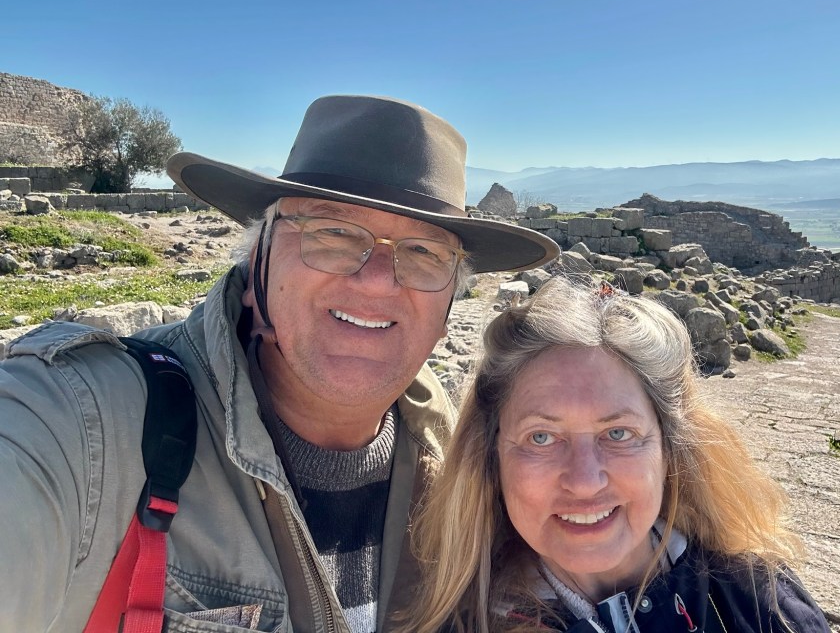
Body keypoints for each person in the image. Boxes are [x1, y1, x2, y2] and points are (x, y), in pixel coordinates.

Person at [0, 95, 558, 632]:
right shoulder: (87, 422)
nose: (376, 281)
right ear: (256, 263)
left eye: (424, 252)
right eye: (333, 232)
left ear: (448, 308)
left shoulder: (463, 454)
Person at [403, 277, 830, 633]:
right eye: (541, 438)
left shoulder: (760, 601)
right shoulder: (459, 621)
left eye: (618, 433)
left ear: (669, 447)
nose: (585, 481)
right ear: (491, 457)